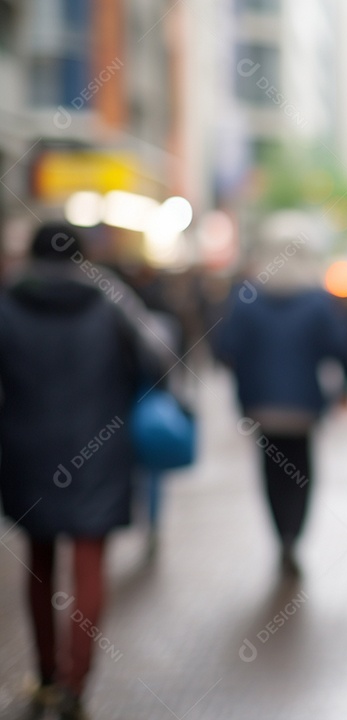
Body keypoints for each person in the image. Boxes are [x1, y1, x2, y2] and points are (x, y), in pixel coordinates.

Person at [0, 222, 163, 720]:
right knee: (90, 564)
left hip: (27, 448)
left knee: (39, 561)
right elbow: (158, 360)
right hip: (100, 450)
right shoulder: (113, 301)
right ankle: (76, 686)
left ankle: (47, 676)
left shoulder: (6, 303)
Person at [213, 217, 347, 575]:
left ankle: (282, 536)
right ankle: (294, 534)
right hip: (304, 404)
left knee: (271, 470)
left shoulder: (246, 297)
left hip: (259, 404)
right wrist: (344, 389)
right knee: (301, 469)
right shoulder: (318, 301)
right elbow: (341, 347)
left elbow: (225, 347)